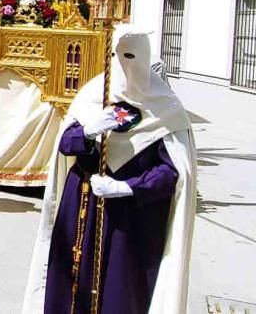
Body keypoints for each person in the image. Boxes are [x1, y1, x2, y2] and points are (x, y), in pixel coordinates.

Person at [21, 28, 196, 314]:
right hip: (84, 203)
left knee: (121, 285)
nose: (125, 64)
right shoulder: (94, 94)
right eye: (118, 55)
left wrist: (129, 187)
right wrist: (88, 131)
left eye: (132, 56)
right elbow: (65, 144)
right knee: (76, 277)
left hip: (133, 216)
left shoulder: (166, 108)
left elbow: (173, 172)